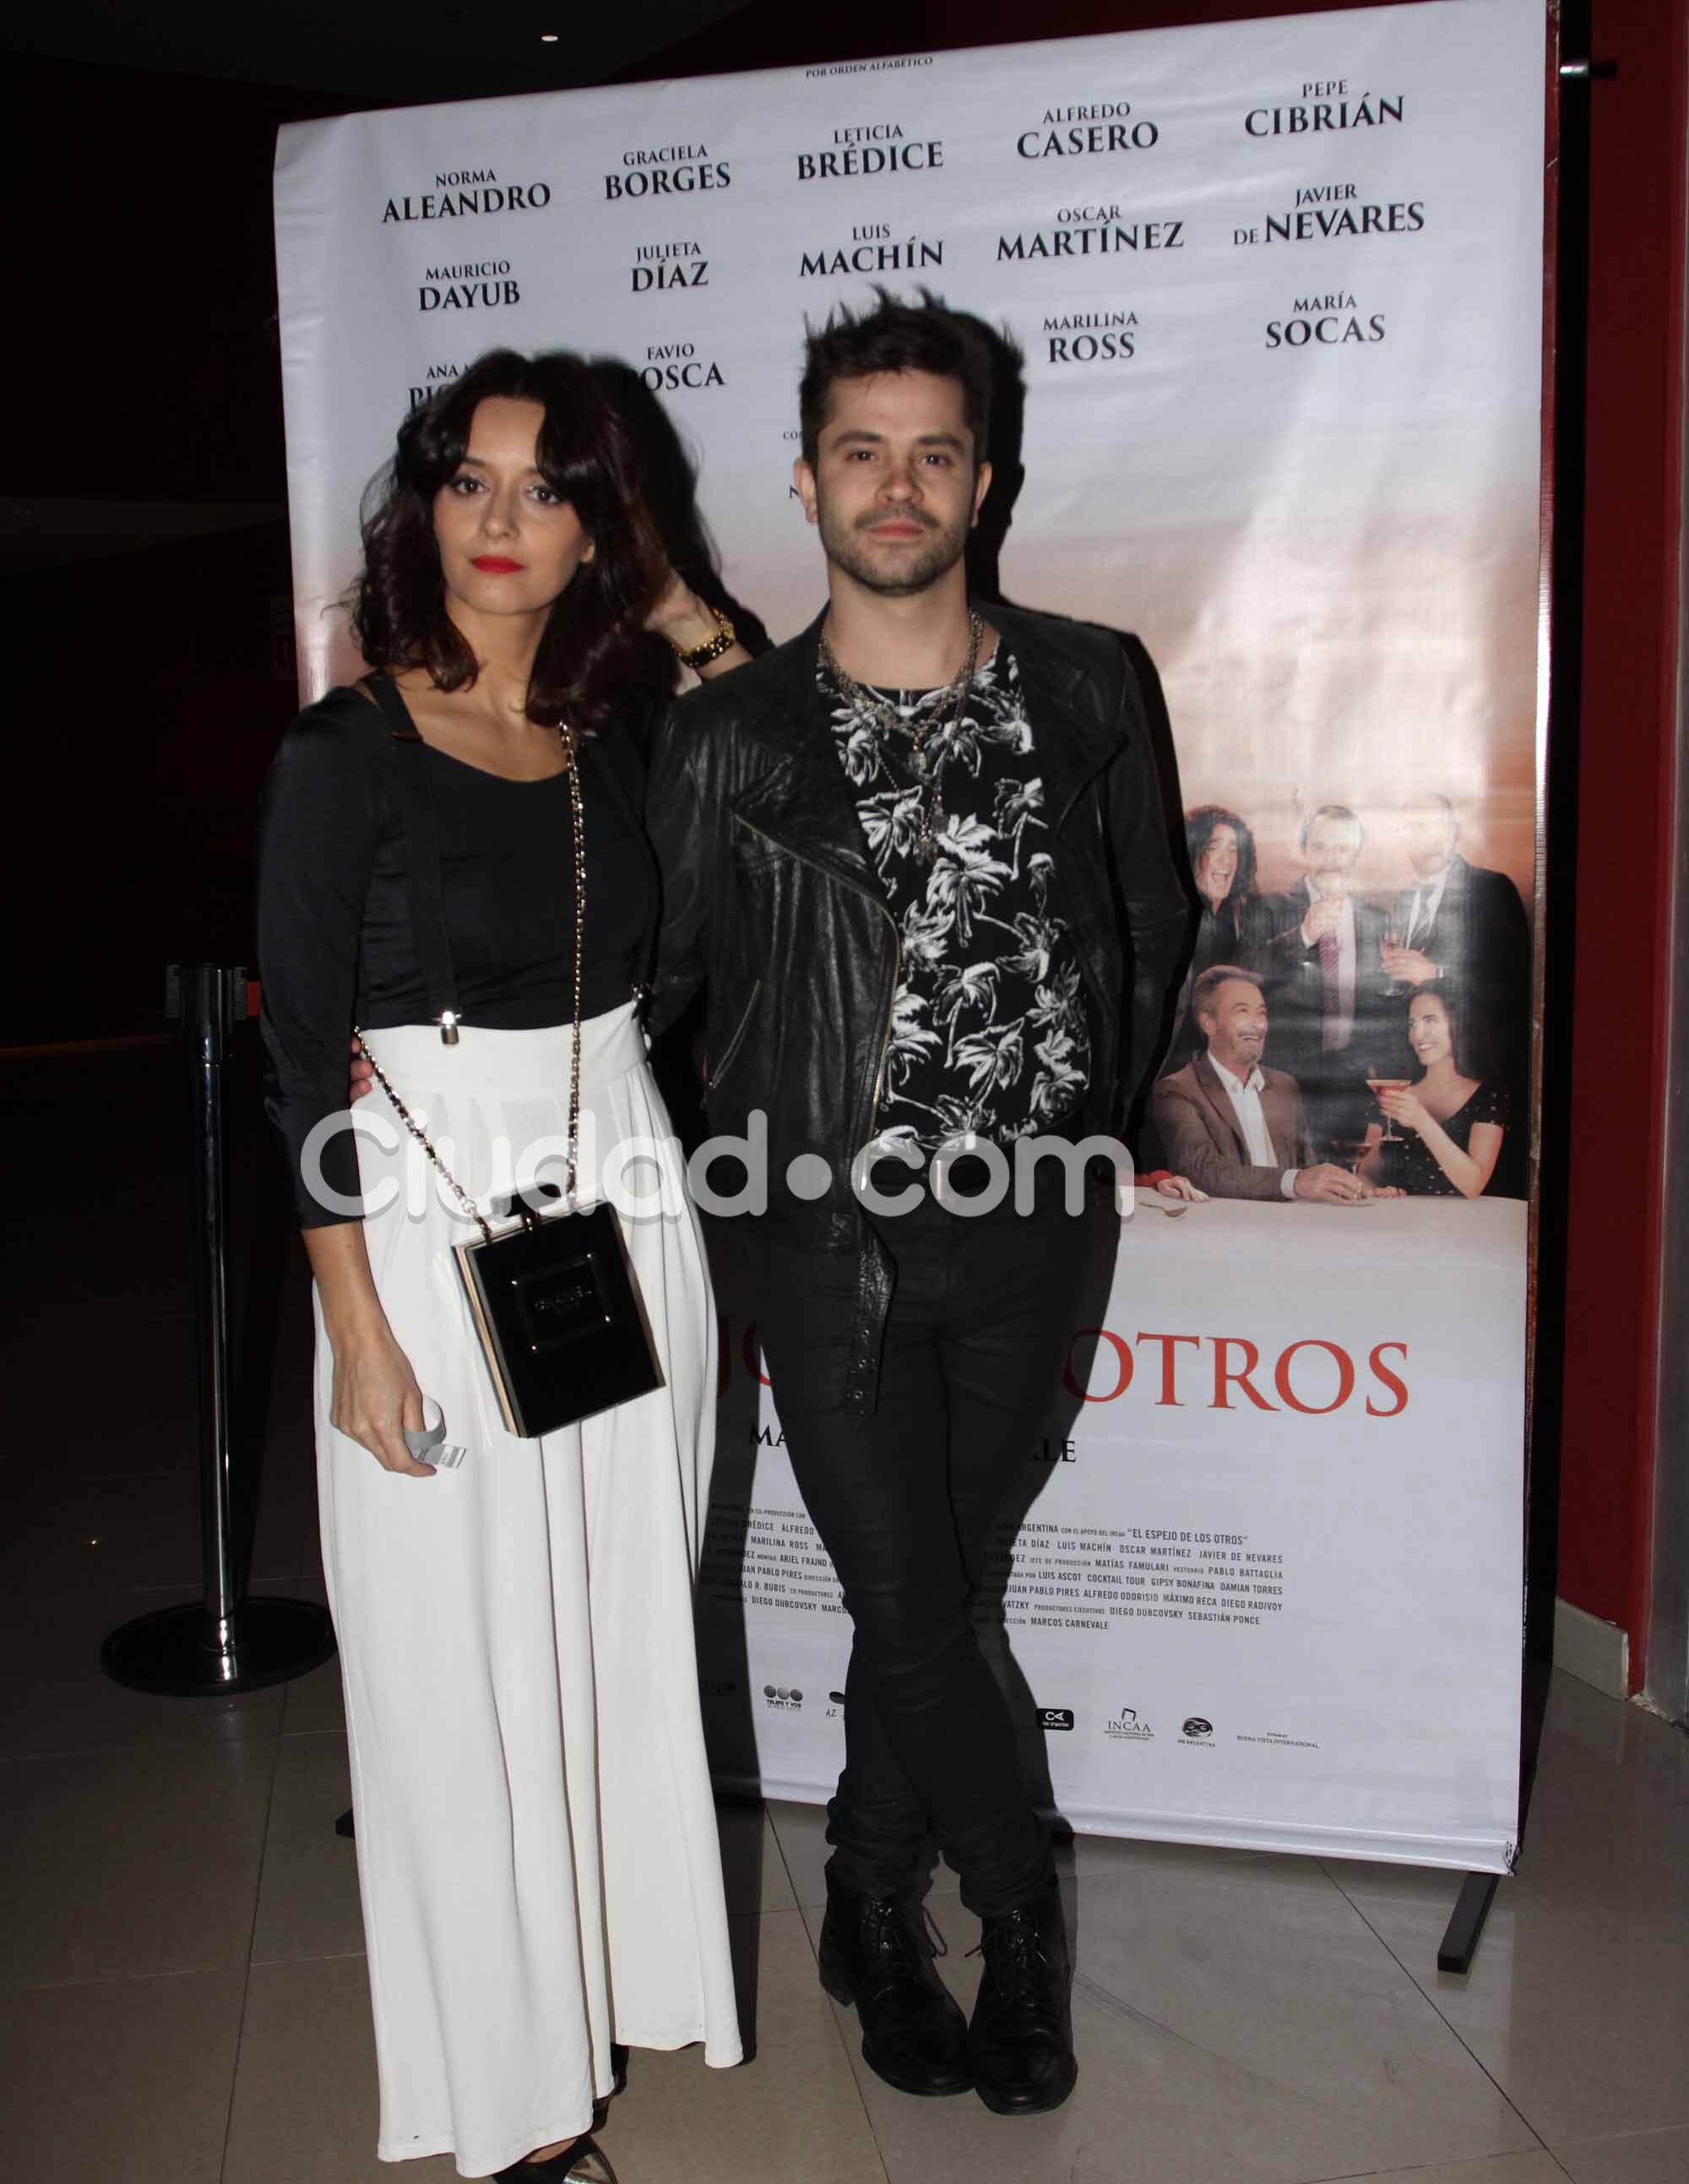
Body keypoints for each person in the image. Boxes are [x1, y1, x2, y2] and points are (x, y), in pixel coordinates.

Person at [644, 291, 1190, 2117]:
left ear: (987, 479)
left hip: (1037, 1225)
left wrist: (1088, 1130)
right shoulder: (728, 740)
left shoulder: (1091, 681)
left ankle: (864, 1902)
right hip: (825, 1241)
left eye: (932, 452)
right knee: (912, 1591)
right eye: (861, 452)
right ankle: (1016, 1922)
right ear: (804, 483)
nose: (897, 486)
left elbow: (1147, 922)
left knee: (938, 1597)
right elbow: (667, 999)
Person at [257, 350, 742, 2182]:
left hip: (618, 1200)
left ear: (600, 524)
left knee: (612, 1637)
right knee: (452, 1677)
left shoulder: (616, 738)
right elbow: (302, 1061)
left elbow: (797, 762)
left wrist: (680, 600)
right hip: (420, 1222)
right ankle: (512, 2113)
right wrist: (355, 1335)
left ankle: (593, 1992)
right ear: (421, 502)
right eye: (469, 479)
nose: (498, 522)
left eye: (550, 489)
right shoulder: (340, 751)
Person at [1384, 793, 1530, 1193]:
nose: (1422, 835)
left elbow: (1519, 984)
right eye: (1413, 827)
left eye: (1431, 824)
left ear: (1454, 832)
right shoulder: (1402, 900)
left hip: (1478, 1070)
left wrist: (1437, 972)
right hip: (1421, 1071)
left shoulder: (1492, 889)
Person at [1152, 967, 1385, 1203]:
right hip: (1225, 1231)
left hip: (1294, 1229)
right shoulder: (1177, 1090)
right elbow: (1202, 1172)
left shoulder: (1285, 1086)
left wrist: (1348, 1187)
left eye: (1262, 1013)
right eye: (1242, 1011)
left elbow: (1307, 1168)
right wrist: (1295, 1182)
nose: (1258, 1025)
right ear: (1209, 1024)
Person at [1258, 803, 1393, 1157]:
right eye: (1320, 847)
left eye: (1342, 848)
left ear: (1356, 854)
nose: (1331, 859)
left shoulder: (1376, 918)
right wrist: (1303, 934)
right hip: (1287, 1078)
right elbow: (1250, 975)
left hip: (1353, 1079)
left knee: (1348, 1182)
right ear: (1303, 850)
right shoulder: (1269, 907)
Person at [1362, 980, 1508, 1197]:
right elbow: (1365, 1174)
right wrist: (1377, 1192)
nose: (1418, 1034)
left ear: (1458, 1024)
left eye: (1430, 1020)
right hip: (1397, 1222)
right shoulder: (1394, 1094)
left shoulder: (1487, 1096)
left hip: (1463, 1226)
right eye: (1412, 1024)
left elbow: (1474, 1185)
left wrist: (1421, 1120)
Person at [1159, 805, 1270, 1076]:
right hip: (1169, 1061)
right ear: (1192, 852)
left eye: (1233, 849)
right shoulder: (1166, 914)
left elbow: (1260, 966)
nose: (1226, 860)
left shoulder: (1240, 915)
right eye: (1214, 847)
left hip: (1218, 1061)